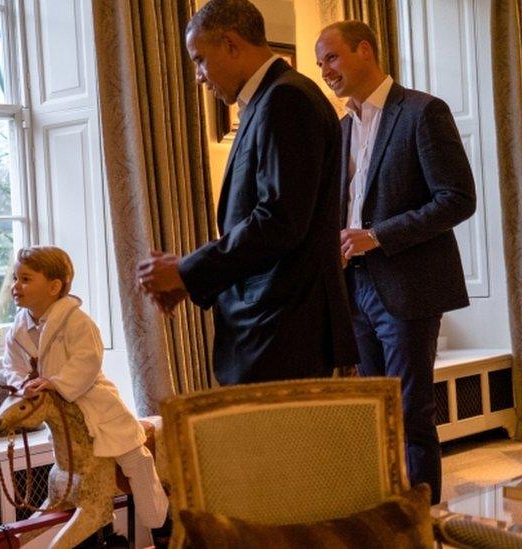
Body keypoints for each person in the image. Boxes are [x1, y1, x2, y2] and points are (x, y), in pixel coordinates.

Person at [137, 0, 357, 385]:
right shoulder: (270, 100)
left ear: (231, 43)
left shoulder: (286, 99)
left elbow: (279, 222)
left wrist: (188, 271)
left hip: (284, 332)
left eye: (200, 59)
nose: (199, 76)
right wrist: (189, 279)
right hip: (274, 330)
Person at [315, 21, 476, 503]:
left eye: (333, 57)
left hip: (408, 286)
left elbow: (457, 199)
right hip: (354, 288)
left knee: (411, 413)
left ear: (365, 50)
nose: (325, 70)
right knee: (376, 414)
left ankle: (420, 522)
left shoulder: (423, 112)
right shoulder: (341, 128)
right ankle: (387, 512)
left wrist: (377, 237)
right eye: (321, 62)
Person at [3, 246, 169, 532]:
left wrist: (55, 382)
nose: (15, 286)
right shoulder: (17, 329)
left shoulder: (77, 322)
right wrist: (22, 385)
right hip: (58, 407)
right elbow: (11, 366)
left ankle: (156, 515)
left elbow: (88, 360)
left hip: (92, 399)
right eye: (15, 278)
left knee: (132, 452)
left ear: (54, 286)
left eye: (25, 279)